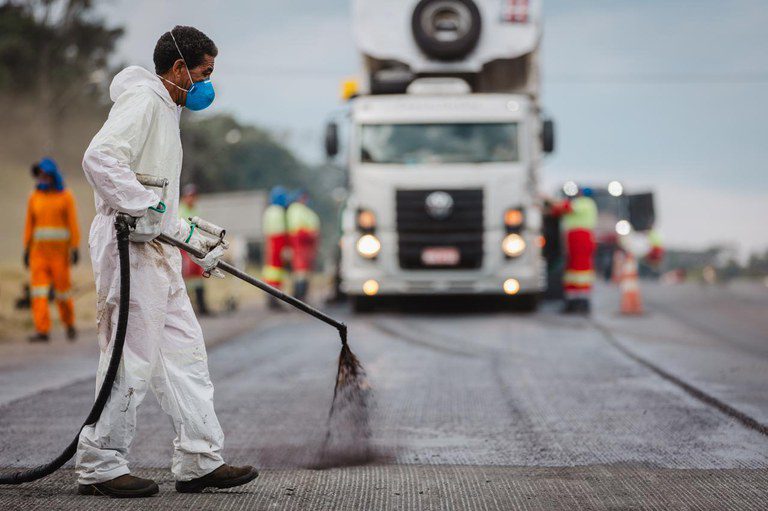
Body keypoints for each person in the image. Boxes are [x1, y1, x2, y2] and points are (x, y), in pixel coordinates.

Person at [77, 26, 257, 498]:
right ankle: (100, 464)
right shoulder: (144, 102)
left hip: (155, 253)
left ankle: (199, 460)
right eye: (204, 73)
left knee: (185, 357)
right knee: (129, 359)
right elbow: (100, 161)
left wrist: (190, 234)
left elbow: (157, 201)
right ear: (179, 68)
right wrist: (146, 207)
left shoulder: (166, 110)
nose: (206, 84)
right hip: (129, 251)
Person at [24, 157, 80, 342]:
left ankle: (69, 324)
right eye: (39, 176)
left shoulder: (66, 196)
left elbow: (72, 223)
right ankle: (42, 331)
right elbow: (29, 225)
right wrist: (26, 248)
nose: (41, 179)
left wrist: (75, 247)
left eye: (45, 175)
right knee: (38, 293)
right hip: (38, 255)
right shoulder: (34, 197)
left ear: (52, 176)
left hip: (59, 256)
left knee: (63, 294)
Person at [549, 189, 598, 314]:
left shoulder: (585, 202)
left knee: (581, 268)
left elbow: (566, 207)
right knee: (572, 270)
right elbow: (557, 211)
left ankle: (582, 301)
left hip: (581, 237)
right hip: (574, 239)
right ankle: (572, 300)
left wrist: (547, 198)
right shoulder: (581, 203)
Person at [179, 183, 211, 315]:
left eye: (193, 196)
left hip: (195, 247)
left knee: (198, 277)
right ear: (184, 197)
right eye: (189, 196)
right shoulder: (181, 211)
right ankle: (186, 310)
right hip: (184, 247)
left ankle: (202, 306)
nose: (191, 199)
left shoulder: (195, 210)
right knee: (184, 277)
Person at [286, 190, 320, 301]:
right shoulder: (297, 210)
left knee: (303, 272)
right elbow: (298, 229)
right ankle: (299, 296)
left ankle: (300, 296)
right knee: (301, 272)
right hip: (301, 244)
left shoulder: (300, 210)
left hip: (305, 245)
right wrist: (311, 234)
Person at [262, 186, 289, 309]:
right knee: (276, 270)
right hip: (278, 241)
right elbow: (282, 230)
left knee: (271, 269)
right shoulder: (278, 211)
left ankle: (271, 297)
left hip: (270, 241)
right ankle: (275, 297)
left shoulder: (268, 210)